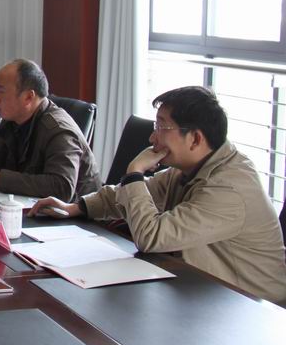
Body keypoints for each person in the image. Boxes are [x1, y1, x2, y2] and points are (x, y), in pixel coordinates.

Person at [30, 86, 286, 303]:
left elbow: (151, 237)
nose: (153, 137)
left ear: (195, 139)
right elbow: (138, 193)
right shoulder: (191, 168)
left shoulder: (230, 189)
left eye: (162, 126)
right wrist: (78, 207)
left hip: (251, 307)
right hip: (202, 290)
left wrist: (134, 172)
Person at [0, 59, 101, 201]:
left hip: (75, 218)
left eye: (1, 91)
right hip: (29, 206)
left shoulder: (59, 130)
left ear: (28, 97)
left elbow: (62, 187)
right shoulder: (14, 118)